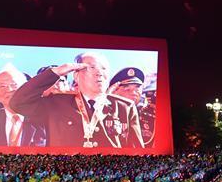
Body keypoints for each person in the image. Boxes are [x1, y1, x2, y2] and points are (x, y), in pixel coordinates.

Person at [8, 52, 144, 149]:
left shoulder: (125, 107)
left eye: (104, 68)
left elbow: (137, 151)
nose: (99, 73)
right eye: (92, 67)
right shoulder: (56, 103)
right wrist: (57, 72)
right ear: (76, 75)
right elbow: (18, 103)